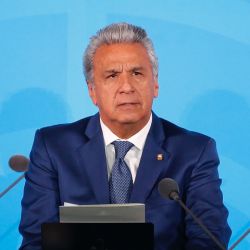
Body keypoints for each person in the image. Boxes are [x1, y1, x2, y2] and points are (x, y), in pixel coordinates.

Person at [19, 22, 231, 249]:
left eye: (137, 73)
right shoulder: (53, 148)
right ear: (92, 91)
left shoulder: (194, 151)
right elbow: (37, 240)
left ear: (155, 84)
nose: (126, 87)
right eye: (112, 76)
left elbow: (209, 238)